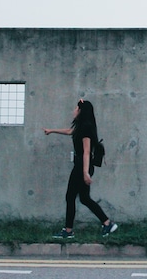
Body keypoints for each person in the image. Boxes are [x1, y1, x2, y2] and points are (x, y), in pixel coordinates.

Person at [43, 99, 118, 239]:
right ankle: (107, 223)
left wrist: (85, 172)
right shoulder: (82, 127)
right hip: (82, 166)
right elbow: (70, 131)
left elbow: (86, 152)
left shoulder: (86, 128)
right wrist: (52, 130)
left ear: (81, 111)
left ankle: (68, 231)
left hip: (81, 166)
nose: (74, 111)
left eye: (76, 108)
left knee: (70, 196)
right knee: (84, 198)